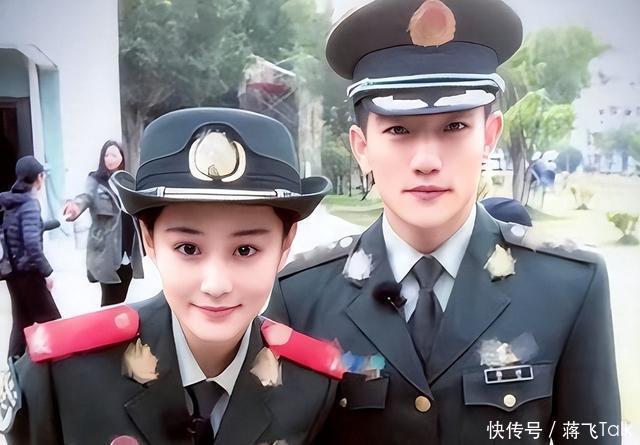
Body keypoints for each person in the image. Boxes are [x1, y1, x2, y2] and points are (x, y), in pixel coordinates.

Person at [267, 0, 621, 443]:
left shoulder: (569, 287)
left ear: (489, 135)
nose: (427, 161)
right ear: (362, 148)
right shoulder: (301, 297)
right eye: (399, 130)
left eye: (454, 127)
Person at [1, 108, 336, 445]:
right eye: (188, 248)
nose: (216, 285)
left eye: (245, 250)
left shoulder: (314, 388)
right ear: (148, 239)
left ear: (285, 245)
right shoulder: (62, 378)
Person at [63, 140, 144, 306]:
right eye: (106, 155)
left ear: (122, 158)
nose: (110, 158)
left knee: (121, 298)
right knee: (109, 301)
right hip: (107, 251)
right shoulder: (95, 180)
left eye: (114, 154)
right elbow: (86, 197)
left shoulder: (126, 181)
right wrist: (75, 207)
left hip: (128, 250)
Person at [0, 156, 61, 358]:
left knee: (21, 323)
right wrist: (48, 272)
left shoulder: (12, 201)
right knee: (53, 322)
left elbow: (19, 231)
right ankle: (61, 365)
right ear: (39, 177)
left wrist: (47, 224)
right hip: (29, 275)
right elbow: (32, 245)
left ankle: (13, 365)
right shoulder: (30, 204)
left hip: (13, 273)